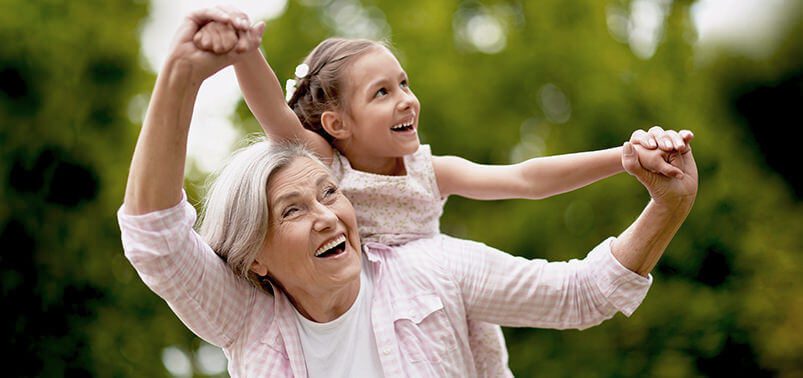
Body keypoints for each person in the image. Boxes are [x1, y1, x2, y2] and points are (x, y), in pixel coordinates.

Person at [120, 8, 698, 377]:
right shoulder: (317, 165)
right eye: (381, 92)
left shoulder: (429, 210)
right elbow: (267, 113)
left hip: (438, 290)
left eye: (404, 84)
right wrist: (242, 51)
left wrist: (627, 162)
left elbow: (527, 183)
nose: (405, 100)